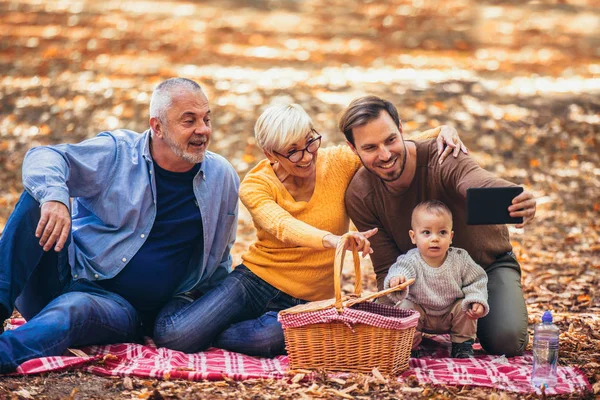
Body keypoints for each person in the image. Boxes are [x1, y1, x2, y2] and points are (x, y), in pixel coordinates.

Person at [153, 103, 467, 358]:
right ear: (270, 154)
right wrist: (333, 240)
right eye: (293, 151)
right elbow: (281, 225)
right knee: (175, 335)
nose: (307, 156)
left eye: (310, 142)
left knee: (262, 342)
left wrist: (445, 130)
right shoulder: (256, 183)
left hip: (310, 300)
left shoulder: (338, 161)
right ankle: (193, 296)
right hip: (255, 281)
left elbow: (395, 143)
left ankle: (216, 321)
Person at [0, 78, 239, 373]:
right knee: (37, 198)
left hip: (117, 310)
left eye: (206, 119)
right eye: (189, 121)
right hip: (64, 273)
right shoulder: (118, 154)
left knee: (75, 308)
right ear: (158, 127)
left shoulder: (222, 178)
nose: (203, 130)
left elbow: (221, 258)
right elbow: (45, 156)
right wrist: (55, 198)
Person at [341, 95, 537, 357]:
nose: (385, 154)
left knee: (506, 340)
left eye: (390, 140)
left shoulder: (442, 153)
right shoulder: (361, 194)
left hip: (485, 268)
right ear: (353, 149)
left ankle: (476, 321)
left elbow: (474, 180)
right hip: (420, 281)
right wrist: (391, 321)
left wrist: (512, 197)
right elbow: (386, 268)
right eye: (370, 148)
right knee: (390, 340)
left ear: (401, 129)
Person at [384, 200, 488, 358]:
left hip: (450, 312)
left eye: (442, 232)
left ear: (451, 236)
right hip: (421, 313)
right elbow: (401, 269)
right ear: (413, 236)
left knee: (465, 307)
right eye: (426, 232)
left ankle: (462, 344)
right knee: (405, 306)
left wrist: (477, 299)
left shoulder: (460, 258)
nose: (435, 239)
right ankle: (408, 344)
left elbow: (476, 280)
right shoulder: (411, 259)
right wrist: (397, 278)